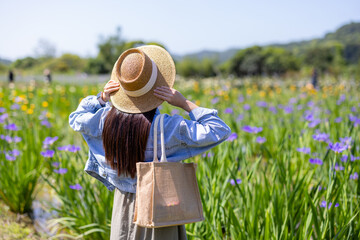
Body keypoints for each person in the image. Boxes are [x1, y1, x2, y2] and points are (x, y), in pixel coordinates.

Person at [69, 45, 231, 240]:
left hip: (123, 203)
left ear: (122, 90)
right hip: (160, 206)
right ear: (159, 90)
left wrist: (102, 98)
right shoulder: (167, 127)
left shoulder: (105, 120)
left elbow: (76, 118)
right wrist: (184, 103)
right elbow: (219, 129)